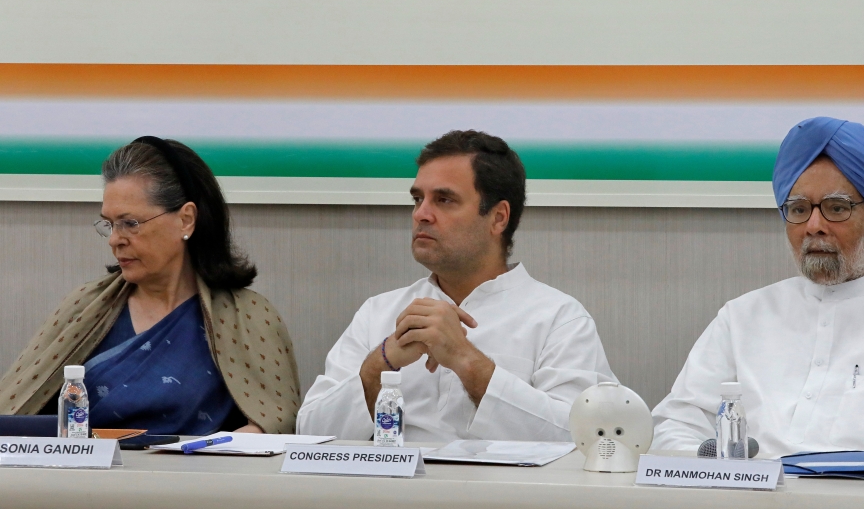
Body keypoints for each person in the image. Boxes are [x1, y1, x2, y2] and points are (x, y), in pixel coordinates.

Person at [651, 117, 864, 459]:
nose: (814, 226)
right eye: (799, 209)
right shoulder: (741, 317)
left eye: (836, 208)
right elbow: (677, 426)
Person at [297, 130, 616, 441]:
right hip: (391, 493)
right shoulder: (378, 313)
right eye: (418, 199)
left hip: (502, 494)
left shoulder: (560, 319)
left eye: (444, 200)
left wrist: (467, 361)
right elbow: (309, 434)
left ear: (498, 218)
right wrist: (379, 364)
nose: (421, 214)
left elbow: (585, 440)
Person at [0, 137, 301, 435]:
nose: (115, 239)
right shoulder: (83, 307)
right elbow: (19, 412)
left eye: (130, 223)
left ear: (186, 220)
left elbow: (277, 421)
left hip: (199, 477)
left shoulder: (248, 316)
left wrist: (241, 441)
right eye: (109, 223)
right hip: (85, 478)